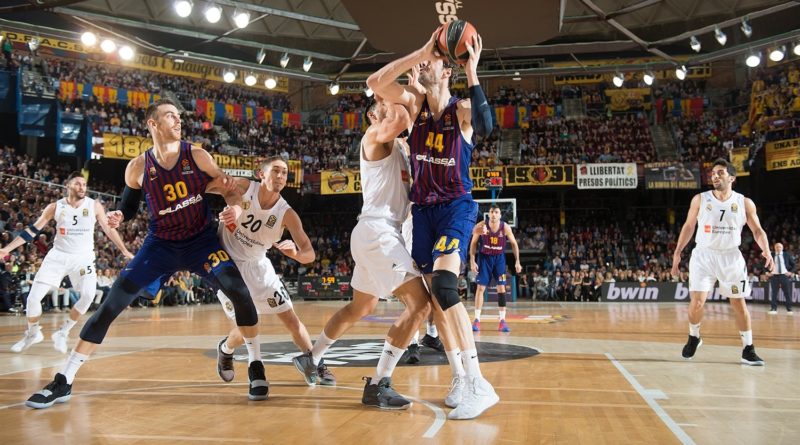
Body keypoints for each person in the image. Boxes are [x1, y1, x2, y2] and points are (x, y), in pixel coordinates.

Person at [25, 99, 266, 409]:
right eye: (170, 116)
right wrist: (119, 216)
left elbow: (228, 188)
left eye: (179, 116)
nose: (178, 121)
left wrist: (233, 208)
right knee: (110, 305)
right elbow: (128, 204)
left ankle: (256, 364)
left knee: (239, 292)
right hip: (160, 245)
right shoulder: (138, 167)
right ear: (153, 124)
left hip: (201, 242)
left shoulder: (197, 155)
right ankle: (64, 379)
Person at [367, 27, 499, 419]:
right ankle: (459, 375)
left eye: (435, 60)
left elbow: (487, 125)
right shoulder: (412, 106)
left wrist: (472, 69)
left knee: (445, 284)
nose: (426, 63)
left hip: (455, 206)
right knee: (437, 302)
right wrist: (422, 50)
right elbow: (375, 82)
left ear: (447, 72)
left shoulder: (460, 111)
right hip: (422, 212)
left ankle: (478, 381)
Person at [293, 96, 433, 410]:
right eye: (386, 103)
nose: (395, 104)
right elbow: (400, 119)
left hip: (379, 233)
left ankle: (311, 358)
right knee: (420, 306)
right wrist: (413, 89)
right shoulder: (373, 137)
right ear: (372, 114)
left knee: (361, 306)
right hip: (377, 232)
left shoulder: (401, 149)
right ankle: (380, 383)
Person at [214, 156, 335, 386]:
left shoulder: (286, 213)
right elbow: (212, 184)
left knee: (291, 319)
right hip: (229, 267)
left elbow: (309, 253)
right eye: (276, 171)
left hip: (260, 267)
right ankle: (226, 348)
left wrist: (297, 255)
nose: (280, 176)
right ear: (261, 174)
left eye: (284, 173)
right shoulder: (242, 187)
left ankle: (315, 362)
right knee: (246, 326)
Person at [0, 172, 133, 354]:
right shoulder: (55, 207)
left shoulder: (94, 205)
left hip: (83, 257)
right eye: (78, 184)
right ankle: (32, 333)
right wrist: (7, 249)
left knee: (88, 295)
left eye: (84, 184)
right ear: (68, 186)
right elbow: (32, 231)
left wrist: (124, 250)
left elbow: (109, 230)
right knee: (32, 299)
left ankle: (63, 332)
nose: (82, 187)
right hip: (58, 256)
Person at [671, 158, 773, 366]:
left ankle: (748, 348)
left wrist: (767, 250)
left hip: (730, 257)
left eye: (720, 173)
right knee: (697, 301)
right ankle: (694, 336)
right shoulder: (700, 199)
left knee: (738, 302)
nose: (714, 176)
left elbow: (757, 230)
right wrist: (678, 251)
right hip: (703, 255)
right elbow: (689, 226)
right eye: (713, 173)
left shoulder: (744, 202)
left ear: (732, 178)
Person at [468, 204, 522, 332]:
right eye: (492, 212)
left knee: (501, 288)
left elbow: (514, 244)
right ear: (489, 214)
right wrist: (472, 260)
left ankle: (502, 321)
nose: (493, 214)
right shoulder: (481, 226)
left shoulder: (505, 228)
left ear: (500, 215)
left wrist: (517, 261)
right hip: (484, 258)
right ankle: (476, 320)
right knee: (480, 288)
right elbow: (473, 243)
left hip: (499, 259)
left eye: (496, 212)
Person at [767, 242, 794, 314]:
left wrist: (791, 272)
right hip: (774, 276)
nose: (778, 248)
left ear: (782, 248)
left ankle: (789, 309)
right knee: (774, 293)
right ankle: (773, 308)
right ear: (774, 248)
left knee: (787, 292)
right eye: (777, 247)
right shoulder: (771, 255)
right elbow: (765, 264)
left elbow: (793, 264)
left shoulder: (786, 255)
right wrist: (767, 272)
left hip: (784, 275)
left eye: (780, 247)